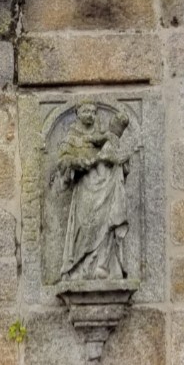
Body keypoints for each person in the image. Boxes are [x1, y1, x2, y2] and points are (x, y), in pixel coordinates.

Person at [59, 102, 132, 281]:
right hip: (85, 187)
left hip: (105, 187)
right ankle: (77, 268)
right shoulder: (71, 137)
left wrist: (119, 160)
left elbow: (115, 155)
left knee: (105, 223)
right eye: (86, 111)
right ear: (78, 113)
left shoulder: (103, 135)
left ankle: (102, 266)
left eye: (93, 112)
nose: (90, 115)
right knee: (84, 226)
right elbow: (62, 161)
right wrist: (78, 162)